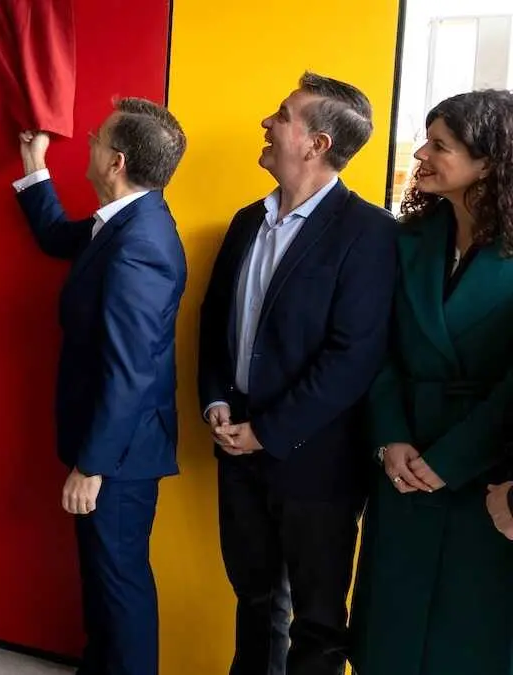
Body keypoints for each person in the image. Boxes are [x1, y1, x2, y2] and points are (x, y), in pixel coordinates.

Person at [197, 72, 397, 675]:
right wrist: (216, 403)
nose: (267, 122)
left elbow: (353, 356)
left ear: (316, 143)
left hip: (319, 462)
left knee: (317, 621)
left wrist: (267, 430)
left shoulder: (372, 233)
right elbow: (214, 326)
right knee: (254, 602)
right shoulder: (242, 223)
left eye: (282, 114)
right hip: (237, 452)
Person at [14, 98, 187, 675]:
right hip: (113, 442)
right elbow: (57, 239)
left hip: (121, 451)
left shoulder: (139, 245)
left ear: (114, 161)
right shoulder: (121, 222)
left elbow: (129, 369)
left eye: (94, 138)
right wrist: (33, 164)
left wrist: (93, 465)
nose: (85, 143)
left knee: (120, 584)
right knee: (103, 577)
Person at [351, 89, 513, 675]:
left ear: (489, 162)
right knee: (388, 626)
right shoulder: (407, 239)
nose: (421, 153)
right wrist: (389, 436)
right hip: (403, 462)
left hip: (484, 476)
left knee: (467, 635)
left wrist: (454, 460)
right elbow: (380, 351)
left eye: (440, 145)